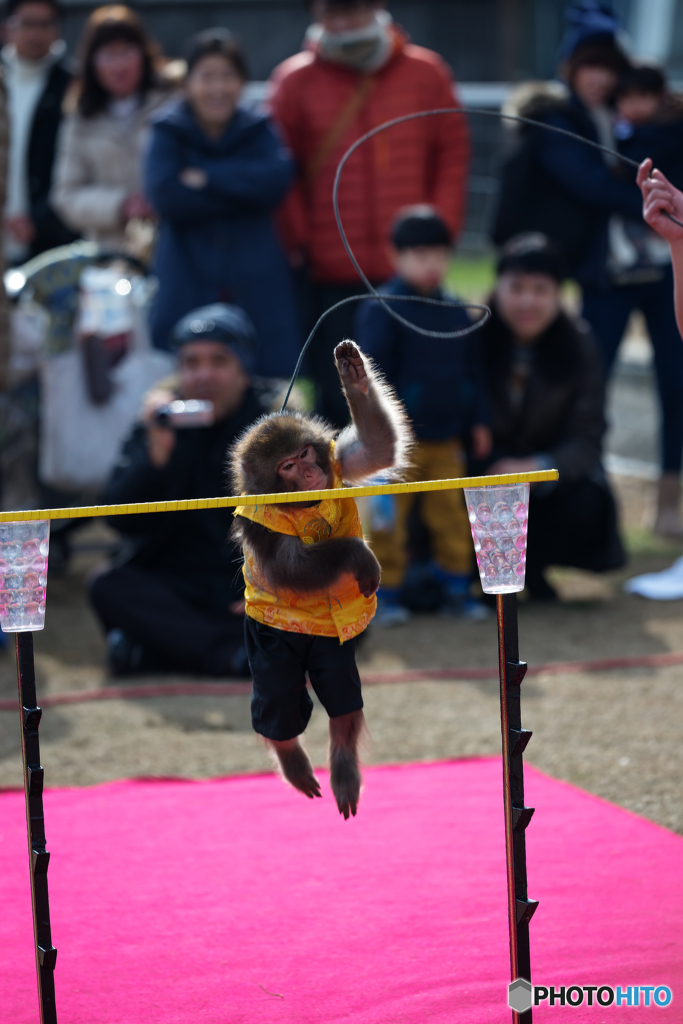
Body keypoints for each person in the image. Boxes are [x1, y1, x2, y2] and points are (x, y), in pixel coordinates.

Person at [494, 2, 683, 538]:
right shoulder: (558, 121)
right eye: (588, 65)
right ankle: (594, 497)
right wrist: (659, 205)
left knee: (676, 383)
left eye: (608, 66)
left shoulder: (648, 119)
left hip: (663, 270)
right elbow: (590, 187)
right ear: (569, 69)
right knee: (588, 383)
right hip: (603, 277)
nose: (599, 77)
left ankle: (668, 503)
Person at [270, 0, 470, 427]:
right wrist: (302, 240)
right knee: (340, 398)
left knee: (416, 391)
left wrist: (436, 233)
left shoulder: (427, 72)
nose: (343, 21)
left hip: (410, 268)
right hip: (331, 272)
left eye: (353, 9)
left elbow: (452, 153)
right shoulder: (293, 81)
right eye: (331, 11)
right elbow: (281, 170)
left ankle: (416, 493)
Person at [89, 303, 263, 677]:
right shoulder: (159, 423)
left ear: (243, 371)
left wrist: (272, 584)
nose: (204, 375)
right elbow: (118, 520)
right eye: (191, 363)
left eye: (219, 362)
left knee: (329, 600)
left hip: (253, 585)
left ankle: (154, 652)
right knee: (107, 585)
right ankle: (229, 654)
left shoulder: (273, 426)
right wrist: (157, 453)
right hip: (177, 585)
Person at [354, 205, 490, 622]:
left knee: (451, 516)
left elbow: (474, 371)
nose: (430, 264)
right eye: (419, 255)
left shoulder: (456, 310)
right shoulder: (381, 309)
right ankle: (384, 593)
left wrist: (479, 419)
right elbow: (367, 377)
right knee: (387, 521)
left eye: (438, 254)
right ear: (396, 256)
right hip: (396, 447)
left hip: (447, 438)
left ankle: (456, 588)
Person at [145, 28, 300, 379]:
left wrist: (207, 178)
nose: (217, 88)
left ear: (242, 81)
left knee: (263, 400)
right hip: (186, 277)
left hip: (256, 283)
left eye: (228, 76)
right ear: (188, 82)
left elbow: (275, 181)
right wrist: (242, 191)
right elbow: (167, 196)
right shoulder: (167, 129)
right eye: (207, 77)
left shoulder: (260, 127)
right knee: (185, 385)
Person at [478, 234, 624, 602]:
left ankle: (536, 566)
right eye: (516, 287)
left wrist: (534, 469)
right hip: (479, 473)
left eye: (541, 289)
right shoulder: (470, 337)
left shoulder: (581, 345)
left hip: (545, 480)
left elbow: (587, 438)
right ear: (497, 288)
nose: (527, 300)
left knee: (586, 502)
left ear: (559, 293)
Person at [50, 4, 171, 250]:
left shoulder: (172, 104)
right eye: (108, 54)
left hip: (171, 244)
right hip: (108, 253)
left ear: (144, 53)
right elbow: (66, 196)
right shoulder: (80, 118)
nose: (119, 65)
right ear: (91, 62)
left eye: (127, 51)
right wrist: (121, 205)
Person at [2, 0, 76, 263]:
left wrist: (38, 220)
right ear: (6, 28)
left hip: (51, 241)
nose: (36, 34)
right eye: (27, 23)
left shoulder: (73, 85)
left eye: (45, 24)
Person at [615, 66, 683, 188]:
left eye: (643, 96)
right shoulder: (630, 128)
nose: (634, 105)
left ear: (661, 97)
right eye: (626, 97)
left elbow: (629, 168)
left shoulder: (667, 131)